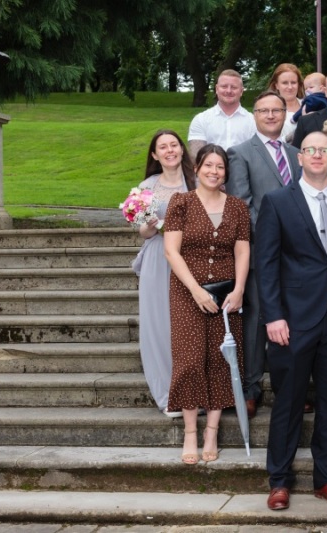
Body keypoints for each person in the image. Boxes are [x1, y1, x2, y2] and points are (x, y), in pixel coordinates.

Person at [256, 132, 327, 511]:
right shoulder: (278, 202)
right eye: (311, 150)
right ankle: (279, 480)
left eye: (325, 150)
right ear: (299, 158)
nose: (317, 155)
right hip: (293, 320)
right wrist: (273, 316)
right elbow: (265, 265)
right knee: (289, 402)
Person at [164, 144, 251, 465]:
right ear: (197, 168)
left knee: (221, 359)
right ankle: (190, 432)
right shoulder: (181, 203)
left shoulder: (238, 208)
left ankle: (211, 431)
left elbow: (242, 251)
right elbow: (172, 251)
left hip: (227, 293)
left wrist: (240, 289)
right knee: (189, 360)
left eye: (220, 167)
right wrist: (197, 291)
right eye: (208, 165)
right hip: (188, 292)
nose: (214, 171)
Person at [227, 90, 302, 419]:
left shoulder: (297, 153)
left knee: (297, 319)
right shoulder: (240, 153)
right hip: (261, 251)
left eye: (277, 110)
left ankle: (294, 386)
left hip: (300, 254)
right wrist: (276, 237)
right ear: (254, 115)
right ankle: (251, 386)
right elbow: (242, 206)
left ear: (285, 113)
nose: (271, 115)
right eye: (263, 110)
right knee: (258, 319)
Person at [133, 129, 196, 417]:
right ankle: (169, 393)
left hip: (194, 256)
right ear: (155, 155)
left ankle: (195, 391)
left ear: (182, 150)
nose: (170, 150)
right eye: (163, 147)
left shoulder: (197, 180)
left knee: (192, 326)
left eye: (174, 145)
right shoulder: (146, 188)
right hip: (159, 257)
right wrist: (153, 224)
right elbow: (143, 232)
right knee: (160, 325)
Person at [188, 70, 256, 159]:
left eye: (234, 87)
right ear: (216, 89)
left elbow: (256, 155)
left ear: (241, 91)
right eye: (224, 86)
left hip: (243, 171)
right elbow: (196, 156)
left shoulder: (253, 121)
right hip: (211, 171)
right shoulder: (201, 120)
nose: (228, 91)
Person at [267, 63, 304, 142]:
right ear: (276, 85)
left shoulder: (308, 106)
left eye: (293, 82)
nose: (290, 87)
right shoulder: (268, 111)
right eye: (285, 83)